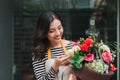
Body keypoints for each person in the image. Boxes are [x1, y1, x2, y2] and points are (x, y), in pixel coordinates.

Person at [32, 11, 76, 80]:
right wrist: (55, 66)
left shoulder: (73, 47)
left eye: (59, 28)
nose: (58, 33)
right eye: (51, 31)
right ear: (43, 32)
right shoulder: (39, 53)